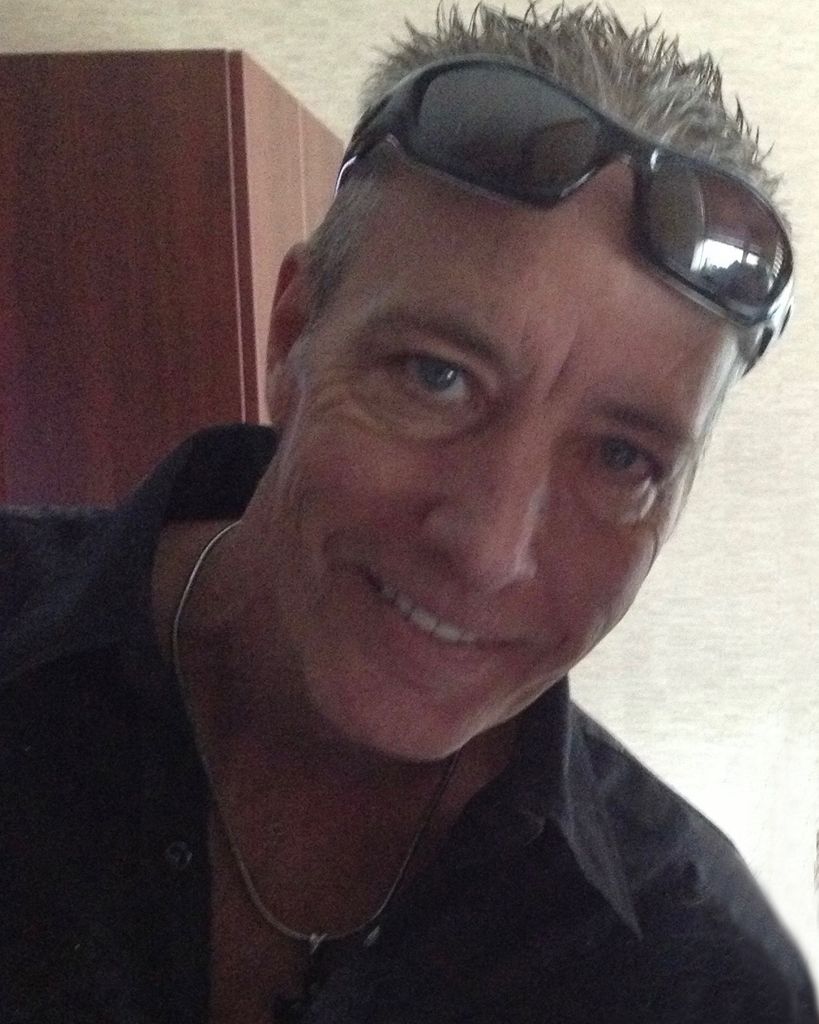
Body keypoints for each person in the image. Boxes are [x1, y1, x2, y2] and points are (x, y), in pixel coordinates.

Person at [1, 4, 815, 1023]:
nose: (489, 550)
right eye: (438, 375)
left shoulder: (707, 985)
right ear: (294, 338)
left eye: (621, 457)